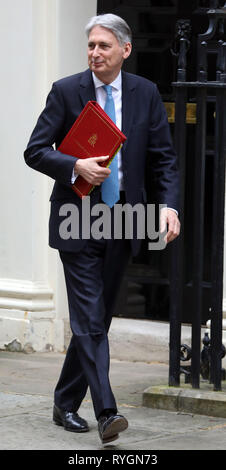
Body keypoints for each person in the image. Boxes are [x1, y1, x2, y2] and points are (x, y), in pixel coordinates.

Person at [24, 13, 180, 445]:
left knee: (97, 320)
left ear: (125, 51)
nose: (94, 53)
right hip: (77, 219)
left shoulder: (145, 93)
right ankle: (107, 411)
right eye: (91, 45)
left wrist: (168, 208)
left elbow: (163, 159)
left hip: (124, 220)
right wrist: (74, 164)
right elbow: (34, 151)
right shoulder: (66, 91)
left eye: (103, 46)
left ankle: (63, 402)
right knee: (90, 318)